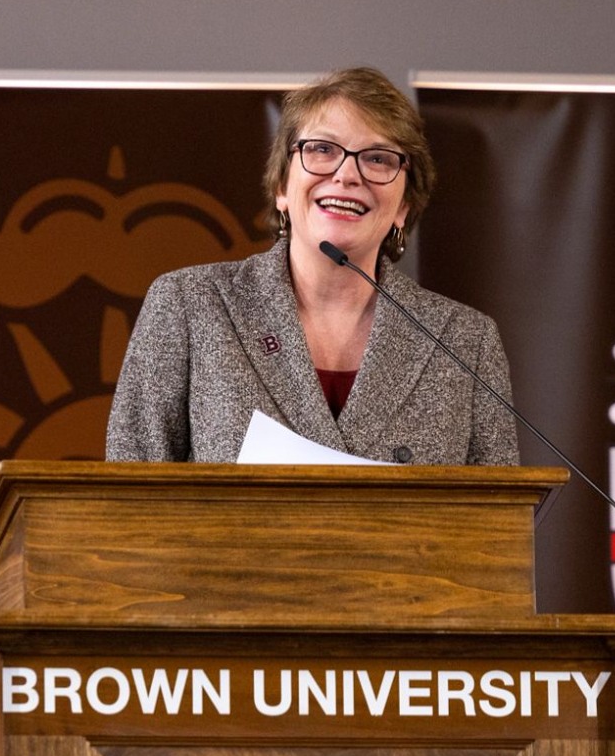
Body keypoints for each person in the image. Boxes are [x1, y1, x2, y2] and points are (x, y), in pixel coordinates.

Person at [106, 67, 519, 465]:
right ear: (282, 186)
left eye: (377, 158)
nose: (346, 175)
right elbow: (128, 504)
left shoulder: (466, 343)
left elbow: (502, 526)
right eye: (322, 149)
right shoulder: (189, 306)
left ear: (404, 207)